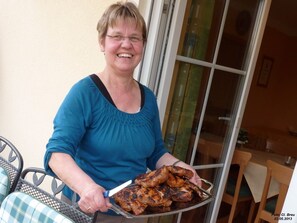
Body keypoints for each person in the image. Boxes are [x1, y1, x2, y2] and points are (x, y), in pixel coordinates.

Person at [44, 1, 201, 223]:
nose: (126, 45)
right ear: (102, 42)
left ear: (142, 45)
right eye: (117, 36)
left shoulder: (148, 99)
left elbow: (155, 153)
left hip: (134, 212)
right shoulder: (84, 93)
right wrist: (87, 187)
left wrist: (180, 167)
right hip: (87, 213)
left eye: (135, 38)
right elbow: (57, 154)